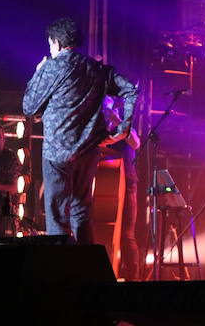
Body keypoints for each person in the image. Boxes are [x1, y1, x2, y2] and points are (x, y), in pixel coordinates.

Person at [22, 17, 138, 244]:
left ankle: (61, 274)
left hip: (57, 153)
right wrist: (124, 128)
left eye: (49, 44)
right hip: (87, 151)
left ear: (56, 42)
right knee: (81, 213)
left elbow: (29, 106)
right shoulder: (97, 69)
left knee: (56, 217)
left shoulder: (53, 67)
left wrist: (38, 73)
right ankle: (87, 272)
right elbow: (131, 91)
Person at [103, 96, 141, 280]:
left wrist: (115, 119)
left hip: (127, 182)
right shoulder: (97, 127)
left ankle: (133, 279)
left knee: (127, 234)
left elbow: (135, 143)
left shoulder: (124, 122)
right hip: (103, 185)